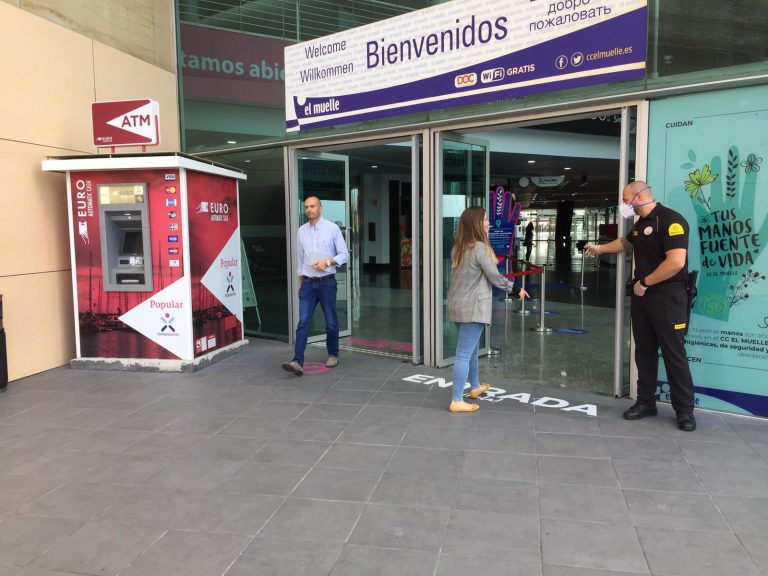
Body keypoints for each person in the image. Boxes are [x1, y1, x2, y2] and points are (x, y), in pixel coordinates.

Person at [585, 181, 696, 431]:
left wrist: (645, 282)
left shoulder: (671, 220)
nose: (624, 204)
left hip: (668, 297)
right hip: (643, 298)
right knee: (644, 352)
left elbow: (676, 262)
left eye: (626, 199)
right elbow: (625, 243)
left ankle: (685, 411)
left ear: (640, 196)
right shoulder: (640, 225)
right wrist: (599, 248)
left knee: (673, 354)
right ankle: (646, 402)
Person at [447, 206, 529, 412]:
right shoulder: (479, 248)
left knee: (472, 349)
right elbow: (494, 276)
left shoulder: (459, 247)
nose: (488, 223)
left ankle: (474, 386)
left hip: (459, 304)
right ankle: (456, 399)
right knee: (464, 353)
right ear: (475, 223)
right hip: (473, 307)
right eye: (484, 219)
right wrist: (515, 288)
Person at [282, 196, 349, 376]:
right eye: (306, 207)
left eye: (312, 206)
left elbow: (344, 255)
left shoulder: (332, 229)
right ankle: (297, 361)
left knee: (331, 322)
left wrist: (327, 262)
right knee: (303, 322)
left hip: (327, 283)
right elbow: (300, 260)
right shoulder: (301, 231)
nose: (309, 210)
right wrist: (300, 283)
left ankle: (333, 354)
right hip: (308, 284)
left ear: (321, 208)